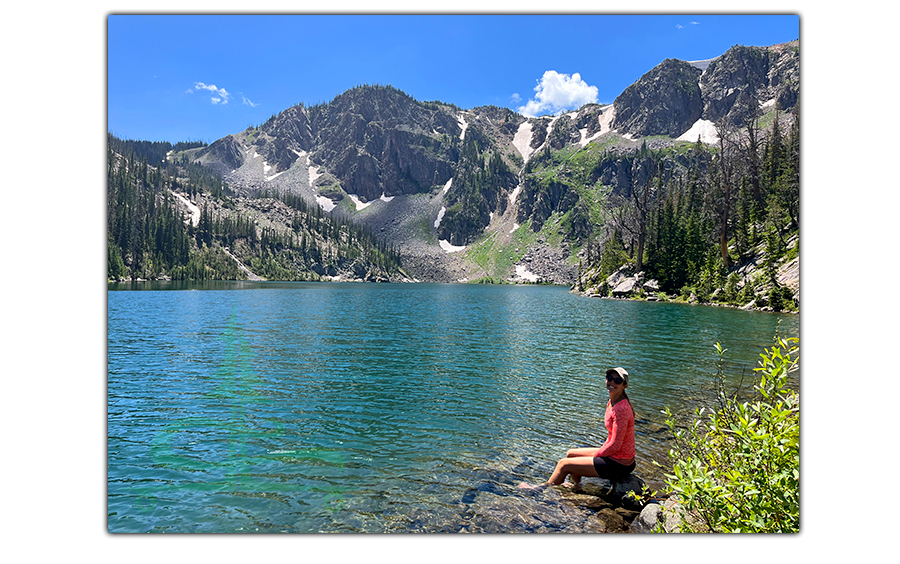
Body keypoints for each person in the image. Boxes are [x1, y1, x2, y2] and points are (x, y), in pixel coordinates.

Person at [519, 367, 635, 491]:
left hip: (620, 464)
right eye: (609, 378)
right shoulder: (613, 401)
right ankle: (576, 486)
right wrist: (597, 454)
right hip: (616, 457)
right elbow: (612, 438)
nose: (612, 383)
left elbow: (616, 445)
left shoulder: (621, 409)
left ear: (625, 386)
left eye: (617, 381)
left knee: (563, 464)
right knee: (571, 454)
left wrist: (596, 455)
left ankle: (540, 489)